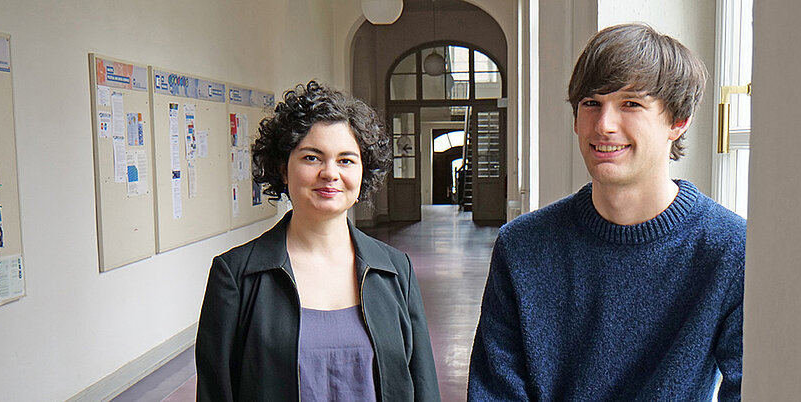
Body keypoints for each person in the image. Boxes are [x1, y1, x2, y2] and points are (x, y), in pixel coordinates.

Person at [467, 23, 746, 400]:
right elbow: (494, 392)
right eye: (591, 103)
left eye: (631, 103)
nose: (604, 125)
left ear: (678, 122)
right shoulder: (522, 245)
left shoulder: (730, 248)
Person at [197, 81, 441, 401]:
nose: (330, 173)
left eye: (346, 160)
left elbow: (422, 385)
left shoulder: (396, 271)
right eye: (312, 158)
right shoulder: (236, 275)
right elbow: (217, 392)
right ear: (284, 169)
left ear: (363, 172)